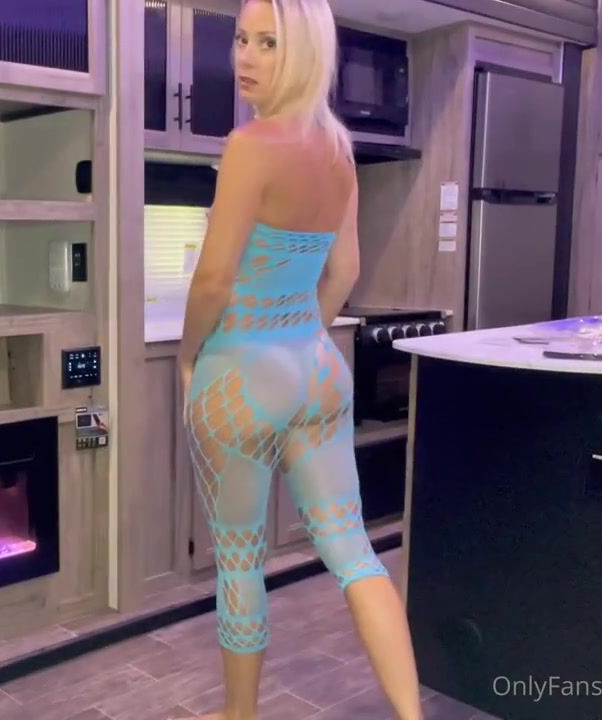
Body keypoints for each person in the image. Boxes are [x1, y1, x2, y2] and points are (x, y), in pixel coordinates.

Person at [176, 1, 423, 719]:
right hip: (316, 370)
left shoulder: (251, 145)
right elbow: (345, 269)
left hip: (239, 376)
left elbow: (213, 280)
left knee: (240, 563)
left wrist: (189, 357)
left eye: (268, 43)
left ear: (305, 53)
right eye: (241, 39)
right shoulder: (339, 151)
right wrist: (303, 331)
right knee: (355, 553)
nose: (245, 57)